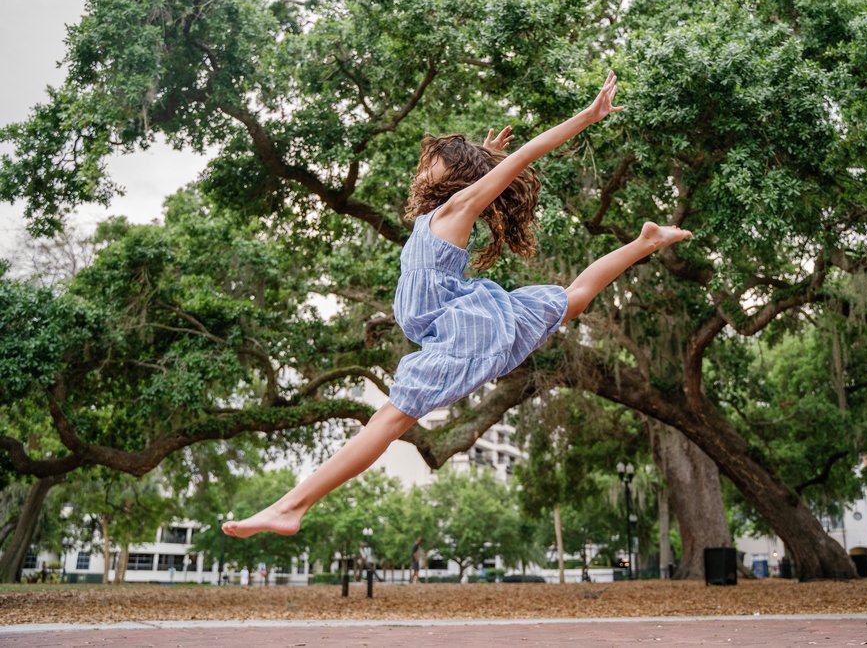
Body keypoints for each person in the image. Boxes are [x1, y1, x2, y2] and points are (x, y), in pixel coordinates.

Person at [222, 71, 691, 539]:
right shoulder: (434, 217)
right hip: (459, 321)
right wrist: (487, 158)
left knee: (388, 419)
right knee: (571, 301)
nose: (425, 166)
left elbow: (530, 155)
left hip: (460, 329)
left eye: (437, 161)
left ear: (458, 178)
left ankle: (291, 506)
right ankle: (644, 242)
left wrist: (587, 117)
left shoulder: (457, 209)